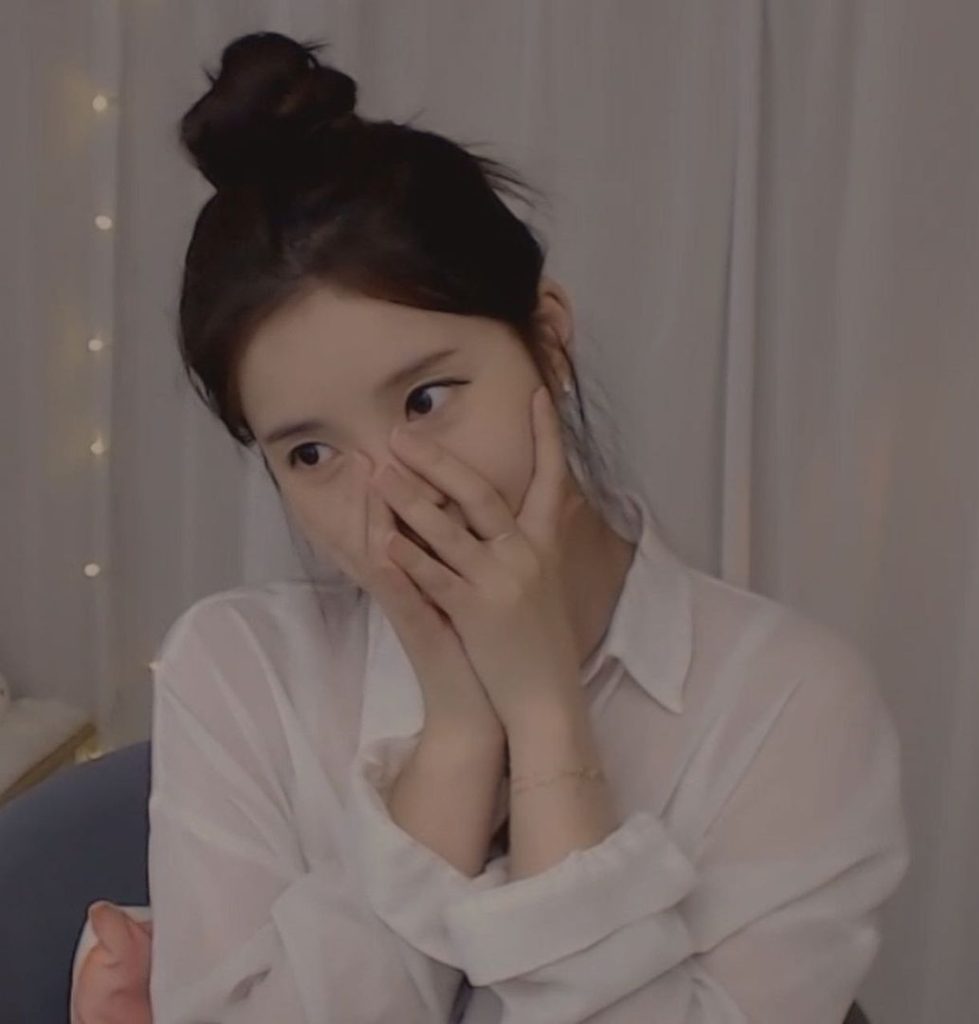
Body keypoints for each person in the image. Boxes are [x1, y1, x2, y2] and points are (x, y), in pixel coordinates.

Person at [146, 30, 910, 1024]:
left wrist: (546, 716)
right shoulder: (236, 669)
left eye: (425, 400)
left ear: (546, 340)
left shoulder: (786, 702)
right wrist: (458, 740)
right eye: (312, 453)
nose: (391, 492)